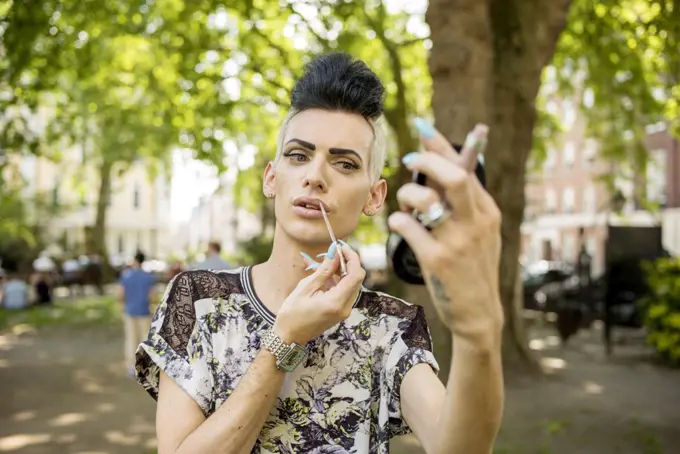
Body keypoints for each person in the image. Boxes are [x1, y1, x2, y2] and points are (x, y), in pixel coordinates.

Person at [135, 52, 504, 453]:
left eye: (344, 164)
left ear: (374, 197)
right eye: (298, 155)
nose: (315, 176)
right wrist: (285, 340)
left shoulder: (391, 325)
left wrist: (478, 333)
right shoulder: (198, 299)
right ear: (272, 178)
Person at [119, 251, 157, 376]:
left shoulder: (126, 276)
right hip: (144, 311)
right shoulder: (148, 277)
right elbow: (153, 296)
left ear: (134, 260)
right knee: (145, 339)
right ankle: (145, 367)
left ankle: (131, 367)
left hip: (130, 311)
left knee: (130, 340)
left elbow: (119, 294)